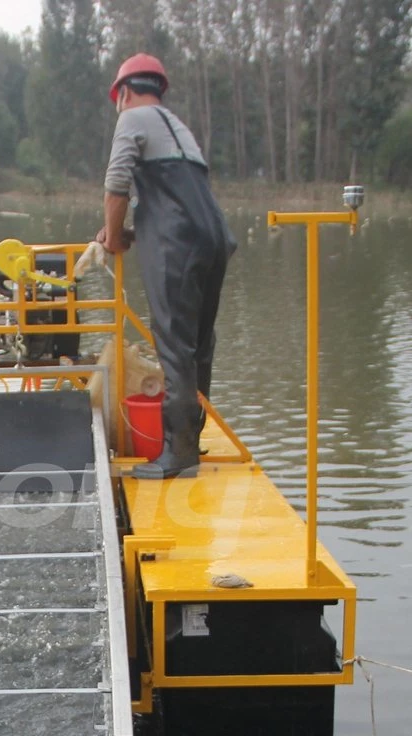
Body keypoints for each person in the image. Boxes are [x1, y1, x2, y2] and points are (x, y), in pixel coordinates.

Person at [98, 53, 236, 478]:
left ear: (122, 93)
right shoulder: (178, 128)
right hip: (213, 236)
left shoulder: (131, 120)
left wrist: (115, 235)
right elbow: (171, 193)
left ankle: (177, 456)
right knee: (199, 344)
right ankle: (190, 439)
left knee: (174, 345)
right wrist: (131, 228)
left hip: (178, 242)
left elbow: (117, 184)